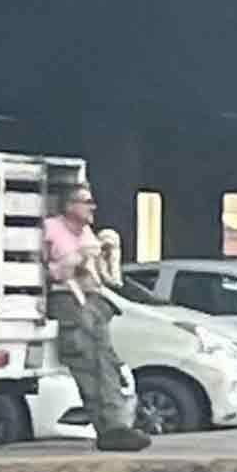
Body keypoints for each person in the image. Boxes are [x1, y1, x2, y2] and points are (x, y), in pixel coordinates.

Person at [44, 185, 151, 452]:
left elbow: (102, 273)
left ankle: (117, 427)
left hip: (92, 301)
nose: (93, 207)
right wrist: (76, 261)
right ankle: (110, 428)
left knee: (106, 364)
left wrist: (104, 257)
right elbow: (48, 270)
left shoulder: (87, 232)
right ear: (69, 206)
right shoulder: (52, 230)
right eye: (86, 202)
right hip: (68, 299)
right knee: (89, 363)